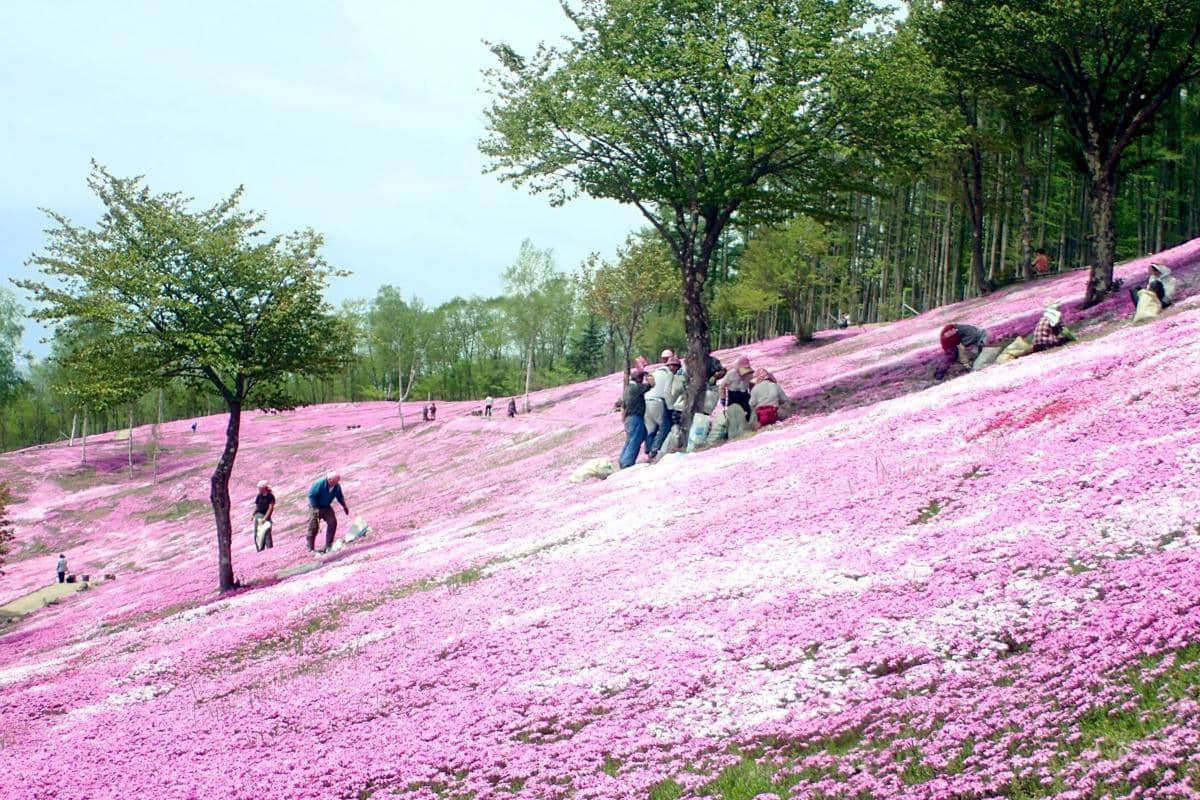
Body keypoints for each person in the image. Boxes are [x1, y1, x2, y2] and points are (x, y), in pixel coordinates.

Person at [645, 355, 684, 460]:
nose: (677, 370)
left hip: (646, 400)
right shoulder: (669, 374)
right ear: (673, 366)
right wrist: (670, 407)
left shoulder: (656, 372)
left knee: (650, 429)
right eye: (677, 368)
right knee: (664, 427)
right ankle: (655, 449)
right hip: (657, 401)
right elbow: (667, 391)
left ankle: (648, 451)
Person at [619, 369, 654, 468]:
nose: (642, 380)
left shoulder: (628, 388)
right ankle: (627, 462)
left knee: (631, 439)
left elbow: (623, 405)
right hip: (636, 417)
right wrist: (647, 374)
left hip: (629, 418)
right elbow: (651, 384)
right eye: (641, 378)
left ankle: (622, 460)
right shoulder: (636, 388)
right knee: (636, 439)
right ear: (638, 379)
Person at [307, 471, 350, 553]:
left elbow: (340, 496)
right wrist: (315, 508)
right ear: (329, 480)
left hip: (326, 507)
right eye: (335, 481)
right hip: (315, 507)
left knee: (332, 522)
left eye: (338, 481)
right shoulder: (319, 484)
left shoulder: (336, 486)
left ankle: (328, 545)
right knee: (313, 526)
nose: (337, 483)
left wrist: (344, 506)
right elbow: (311, 495)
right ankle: (310, 548)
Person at [718, 356, 754, 422]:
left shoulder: (749, 374)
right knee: (733, 413)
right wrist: (723, 398)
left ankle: (747, 425)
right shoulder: (731, 374)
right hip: (733, 395)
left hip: (745, 395)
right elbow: (722, 386)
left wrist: (753, 394)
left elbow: (751, 384)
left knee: (748, 411)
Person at [252, 480, 276, 552]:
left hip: (265, 516)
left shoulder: (270, 496)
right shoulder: (259, 496)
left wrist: (265, 518)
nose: (259, 490)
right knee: (257, 534)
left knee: (266, 534)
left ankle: (270, 549)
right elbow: (257, 506)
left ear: (264, 488)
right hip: (258, 516)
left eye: (260, 488)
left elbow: (270, 508)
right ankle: (260, 550)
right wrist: (253, 515)